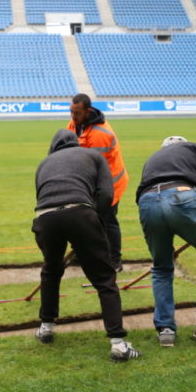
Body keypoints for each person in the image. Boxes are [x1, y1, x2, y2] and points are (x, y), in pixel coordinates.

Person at [32, 129, 141, 362]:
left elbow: (42, 198)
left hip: (45, 218)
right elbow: (105, 194)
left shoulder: (44, 163)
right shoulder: (93, 156)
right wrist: (95, 223)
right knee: (104, 279)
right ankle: (118, 344)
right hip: (80, 213)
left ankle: (46, 328)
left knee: (51, 270)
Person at [135, 135, 196, 346]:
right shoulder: (194, 148)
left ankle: (165, 330)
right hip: (183, 195)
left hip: (147, 202)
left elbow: (146, 195)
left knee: (161, 266)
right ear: (182, 145)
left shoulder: (153, 159)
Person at [67, 93, 128, 271]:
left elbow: (94, 169)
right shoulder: (74, 124)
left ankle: (115, 261)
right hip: (88, 181)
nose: (73, 116)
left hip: (110, 183)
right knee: (82, 217)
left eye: (77, 113)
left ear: (87, 111)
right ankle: (81, 254)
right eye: (71, 111)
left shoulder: (100, 134)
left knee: (107, 221)